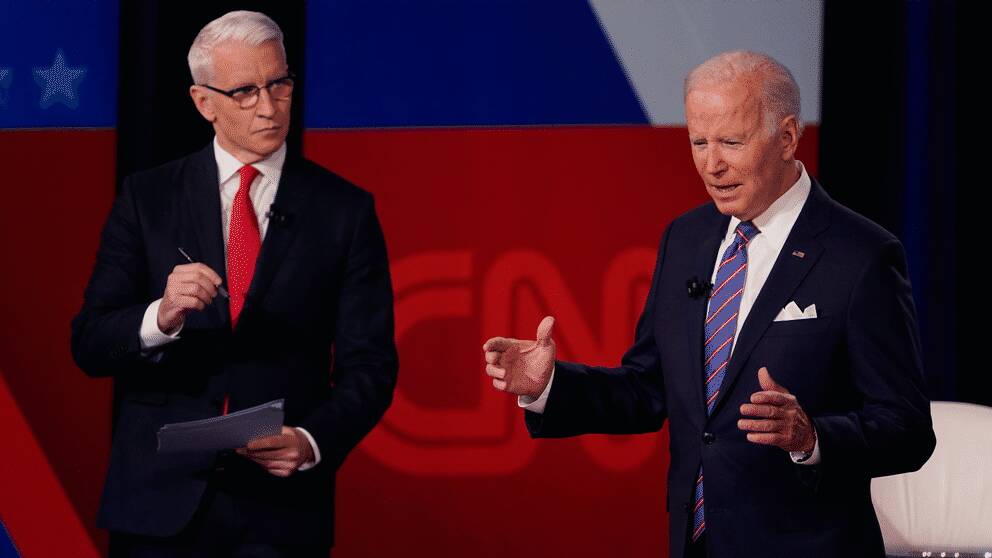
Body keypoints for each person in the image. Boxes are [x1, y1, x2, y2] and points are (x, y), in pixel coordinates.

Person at [482, 51, 935, 558]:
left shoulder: (860, 255)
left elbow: (908, 430)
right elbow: (649, 388)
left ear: (787, 137)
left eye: (731, 142)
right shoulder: (687, 238)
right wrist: (549, 386)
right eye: (699, 141)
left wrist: (812, 438)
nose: (711, 164)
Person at [71, 10, 397, 557]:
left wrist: (312, 441)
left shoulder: (345, 211)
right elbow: (90, 343)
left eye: (279, 84)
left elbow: (371, 367)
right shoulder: (147, 197)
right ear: (204, 102)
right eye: (245, 91)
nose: (269, 107)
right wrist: (161, 316)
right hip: (157, 506)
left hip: (280, 514)